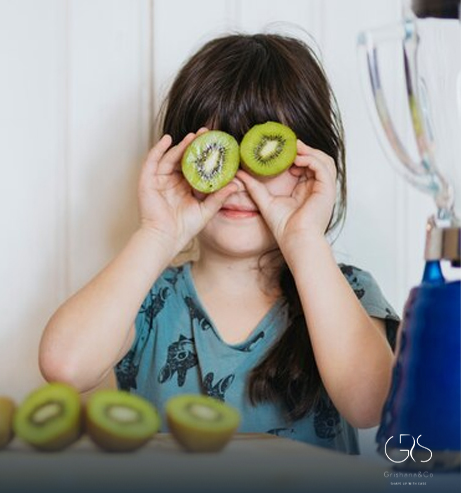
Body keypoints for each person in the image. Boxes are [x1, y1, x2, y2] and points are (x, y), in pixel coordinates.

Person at [38, 33, 400, 454]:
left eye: (262, 155)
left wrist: (304, 239)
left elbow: (372, 403)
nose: (239, 182)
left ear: (310, 168)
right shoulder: (146, 300)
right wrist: (158, 233)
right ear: (184, 163)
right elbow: (64, 366)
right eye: (220, 152)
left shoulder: (346, 293)